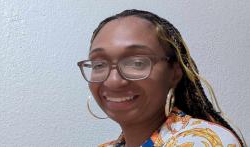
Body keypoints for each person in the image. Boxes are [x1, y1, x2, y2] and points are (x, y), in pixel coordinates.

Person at [77, 9, 246, 147]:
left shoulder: (204, 141)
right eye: (99, 64)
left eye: (137, 63)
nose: (113, 80)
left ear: (174, 72)